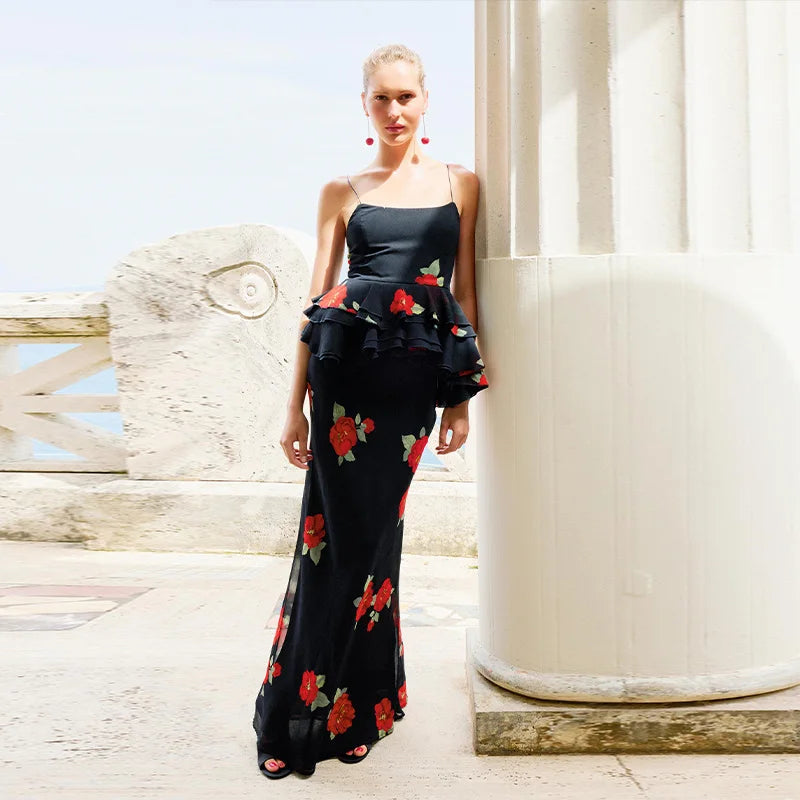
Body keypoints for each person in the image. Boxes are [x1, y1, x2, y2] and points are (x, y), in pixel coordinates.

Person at [252, 42, 489, 779]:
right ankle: (302, 710)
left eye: (406, 97)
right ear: (365, 106)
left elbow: (467, 294)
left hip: (414, 386)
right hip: (343, 386)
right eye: (381, 98)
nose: (394, 111)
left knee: (376, 541)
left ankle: (365, 703)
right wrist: (293, 408)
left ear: (425, 102)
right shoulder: (341, 191)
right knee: (329, 544)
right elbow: (315, 304)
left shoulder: (462, 185)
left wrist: (461, 398)